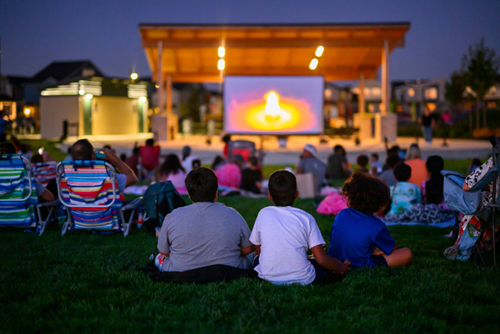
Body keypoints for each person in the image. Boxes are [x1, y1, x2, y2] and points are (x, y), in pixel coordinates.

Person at [250, 170, 350, 285]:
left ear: (270, 196)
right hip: (303, 278)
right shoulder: (306, 218)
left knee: (258, 258)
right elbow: (322, 259)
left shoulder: (263, 213)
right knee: (322, 265)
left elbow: (258, 249)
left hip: (265, 276)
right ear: (296, 194)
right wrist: (341, 267)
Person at [155, 167, 253, 272]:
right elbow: (248, 249)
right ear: (216, 192)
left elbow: (164, 252)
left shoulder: (173, 216)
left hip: (180, 269)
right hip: (229, 267)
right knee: (252, 255)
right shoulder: (233, 214)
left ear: (189, 194)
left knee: (158, 258)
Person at [327, 171, 413, 268]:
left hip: (334, 259)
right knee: (406, 253)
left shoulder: (342, 213)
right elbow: (392, 248)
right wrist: (375, 253)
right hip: (359, 264)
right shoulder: (376, 225)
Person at [71, 139, 137, 193]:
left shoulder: (65, 176)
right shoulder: (105, 176)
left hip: (75, 209)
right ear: (93, 156)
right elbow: (132, 178)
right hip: (104, 209)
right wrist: (113, 157)